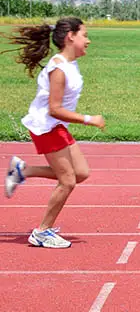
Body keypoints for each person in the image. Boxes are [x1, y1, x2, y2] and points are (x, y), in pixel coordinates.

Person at [2, 17, 105, 248]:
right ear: (71, 37)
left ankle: (22, 170)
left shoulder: (70, 63)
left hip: (56, 126)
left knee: (80, 173)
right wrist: (89, 119)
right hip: (47, 127)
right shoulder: (58, 68)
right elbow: (54, 109)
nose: (88, 41)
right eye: (84, 35)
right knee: (67, 181)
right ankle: (42, 231)